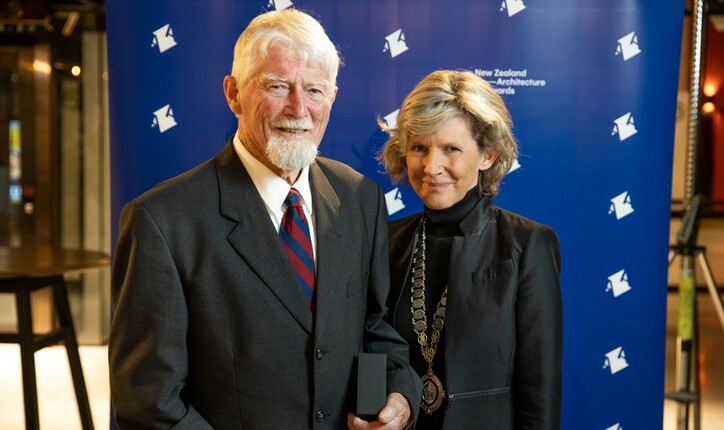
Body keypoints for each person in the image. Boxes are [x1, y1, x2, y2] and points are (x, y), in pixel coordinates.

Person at [109, 9, 420, 430]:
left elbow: (374, 326)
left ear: (332, 97)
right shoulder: (163, 221)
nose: (299, 108)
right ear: (233, 94)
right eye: (277, 86)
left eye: (314, 89)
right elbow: (148, 399)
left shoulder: (359, 198)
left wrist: (398, 394)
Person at [378, 70, 562, 429]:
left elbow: (539, 393)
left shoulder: (526, 245)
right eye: (419, 148)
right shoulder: (384, 241)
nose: (432, 167)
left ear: (488, 156)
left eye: (451, 149)